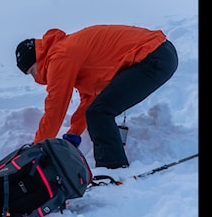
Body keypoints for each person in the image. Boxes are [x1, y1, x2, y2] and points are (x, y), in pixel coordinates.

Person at [14, 24, 178, 169]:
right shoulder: (64, 51)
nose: (35, 77)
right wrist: (74, 134)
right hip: (160, 52)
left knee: (100, 113)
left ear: (36, 59)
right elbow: (90, 98)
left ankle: (113, 169)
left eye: (32, 71)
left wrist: (37, 149)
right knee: (97, 110)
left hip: (152, 55)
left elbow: (55, 108)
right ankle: (113, 167)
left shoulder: (60, 57)